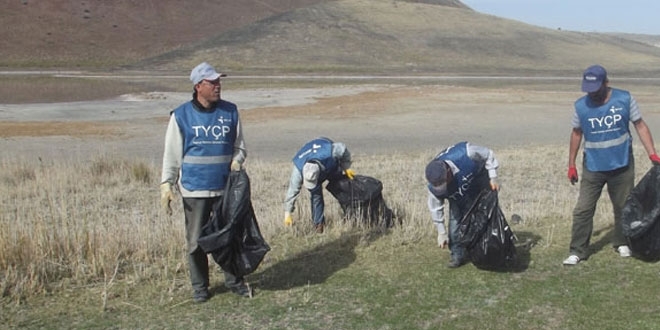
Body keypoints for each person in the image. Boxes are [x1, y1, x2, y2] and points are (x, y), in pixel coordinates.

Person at [160, 62, 249, 302]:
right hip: (194, 189)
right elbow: (171, 153)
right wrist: (166, 183)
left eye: (219, 81)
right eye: (212, 82)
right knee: (195, 242)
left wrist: (237, 161)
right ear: (198, 86)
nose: (218, 86)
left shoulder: (230, 111)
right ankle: (200, 288)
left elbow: (239, 146)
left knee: (229, 236)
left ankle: (234, 280)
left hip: (225, 188)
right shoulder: (181, 116)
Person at [563, 64, 660, 265]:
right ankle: (577, 250)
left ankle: (622, 242)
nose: (592, 94)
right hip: (593, 166)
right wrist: (571, 164)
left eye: (596, 89)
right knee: (583, 209)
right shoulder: (580, 106)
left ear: (606, 83)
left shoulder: (624, 99)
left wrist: (653, 154)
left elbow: (640, 125)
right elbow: (576, 133)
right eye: (589, 90)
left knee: (623, 206)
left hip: (622, 163)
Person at [425, 141, 500, 268]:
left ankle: (490, 250)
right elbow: (436, 208)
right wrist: (441, 232)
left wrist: (493, 177)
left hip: (478, 179)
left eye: (444, 183)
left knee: (484, 218)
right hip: (457, 194)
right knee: (455, 227)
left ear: (448, 172)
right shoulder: (434, 184)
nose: (443, 188)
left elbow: (488, 154)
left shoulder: (466, 152)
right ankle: (457, 255)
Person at [283, 137, 355, 233]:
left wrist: (346, 167)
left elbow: (342, 148)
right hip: (316, 166)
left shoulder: (329, 152)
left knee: (342, 185)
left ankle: (351, 213)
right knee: (316, 196)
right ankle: (319, 225)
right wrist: (287, 213)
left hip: (329, 164)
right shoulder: (298, 170)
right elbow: (292, 191)